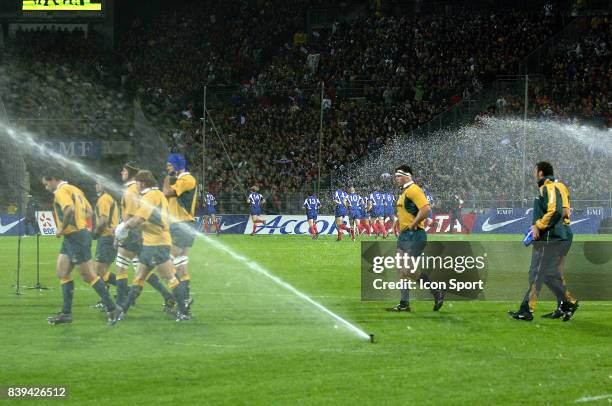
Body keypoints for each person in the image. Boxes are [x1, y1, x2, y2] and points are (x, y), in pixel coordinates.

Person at [42, 173, 120, 325]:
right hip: (73, 237)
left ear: (53, 179)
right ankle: (66, 314)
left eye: (46, 184)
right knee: (62, 272)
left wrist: (62, 228)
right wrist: (80, 222)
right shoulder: (76, 190)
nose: (46, 188)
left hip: (76, 236)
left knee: (89, 276)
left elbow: (69, 209)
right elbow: (89, 212)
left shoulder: (60, 191)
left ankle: (113, 308)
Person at [114, 170, 191, 322]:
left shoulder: (151, 196)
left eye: (137, 182)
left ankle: (184, 312)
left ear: (142, 183)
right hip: (150, 244)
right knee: (139, 278)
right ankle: (122, 311)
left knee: (171, 279)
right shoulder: (157, 195)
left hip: (157, 244)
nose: (135, 185)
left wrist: (123, 227)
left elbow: (139, 219)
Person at [508, 162, 578, 321]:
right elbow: (565, 211)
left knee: (537, 273)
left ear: (540, 173)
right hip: (561, 235)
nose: (533, 174)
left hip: (548, 237)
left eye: (534, 171)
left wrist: (538, 227)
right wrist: (563, 227)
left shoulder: (547, 188)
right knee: (550, 274)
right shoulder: (560, 186)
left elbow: (555, 211)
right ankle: (567, 303)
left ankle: (527, 310)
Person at [387, 165, 444, 312]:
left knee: (409, 270)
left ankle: (436, 291)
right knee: (400, 270)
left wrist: (412, 224)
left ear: (408, 176)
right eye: (395, 176)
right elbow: (405, 211)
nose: (396, 179)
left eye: (398, 176)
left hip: (416, 234)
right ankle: (404, 303)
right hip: (405, 235)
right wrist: (396, 222)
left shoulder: (414, 189)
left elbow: (426, 209)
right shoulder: (404, 192)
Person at [163, 153, 197, 314]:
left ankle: (178, 299)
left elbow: (167, 193)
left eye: (170, 165)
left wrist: (167, 178)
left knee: (166, 262)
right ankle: (185, 299)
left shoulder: (187, 179)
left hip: (182, 225)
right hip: (179, 226)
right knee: (181, 265)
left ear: (177, 165)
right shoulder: (179, 180)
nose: (167, 167)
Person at [91, 180, 119, 310]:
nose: (96, 185)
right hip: (109, 238)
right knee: (102, 272)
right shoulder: (109, 198)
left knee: (98, 273)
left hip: (107, 238)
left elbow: (103, 220)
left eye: (99, 183)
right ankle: (123, 290)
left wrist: (95, 233)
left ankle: (111, 297)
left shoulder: (104, 199)